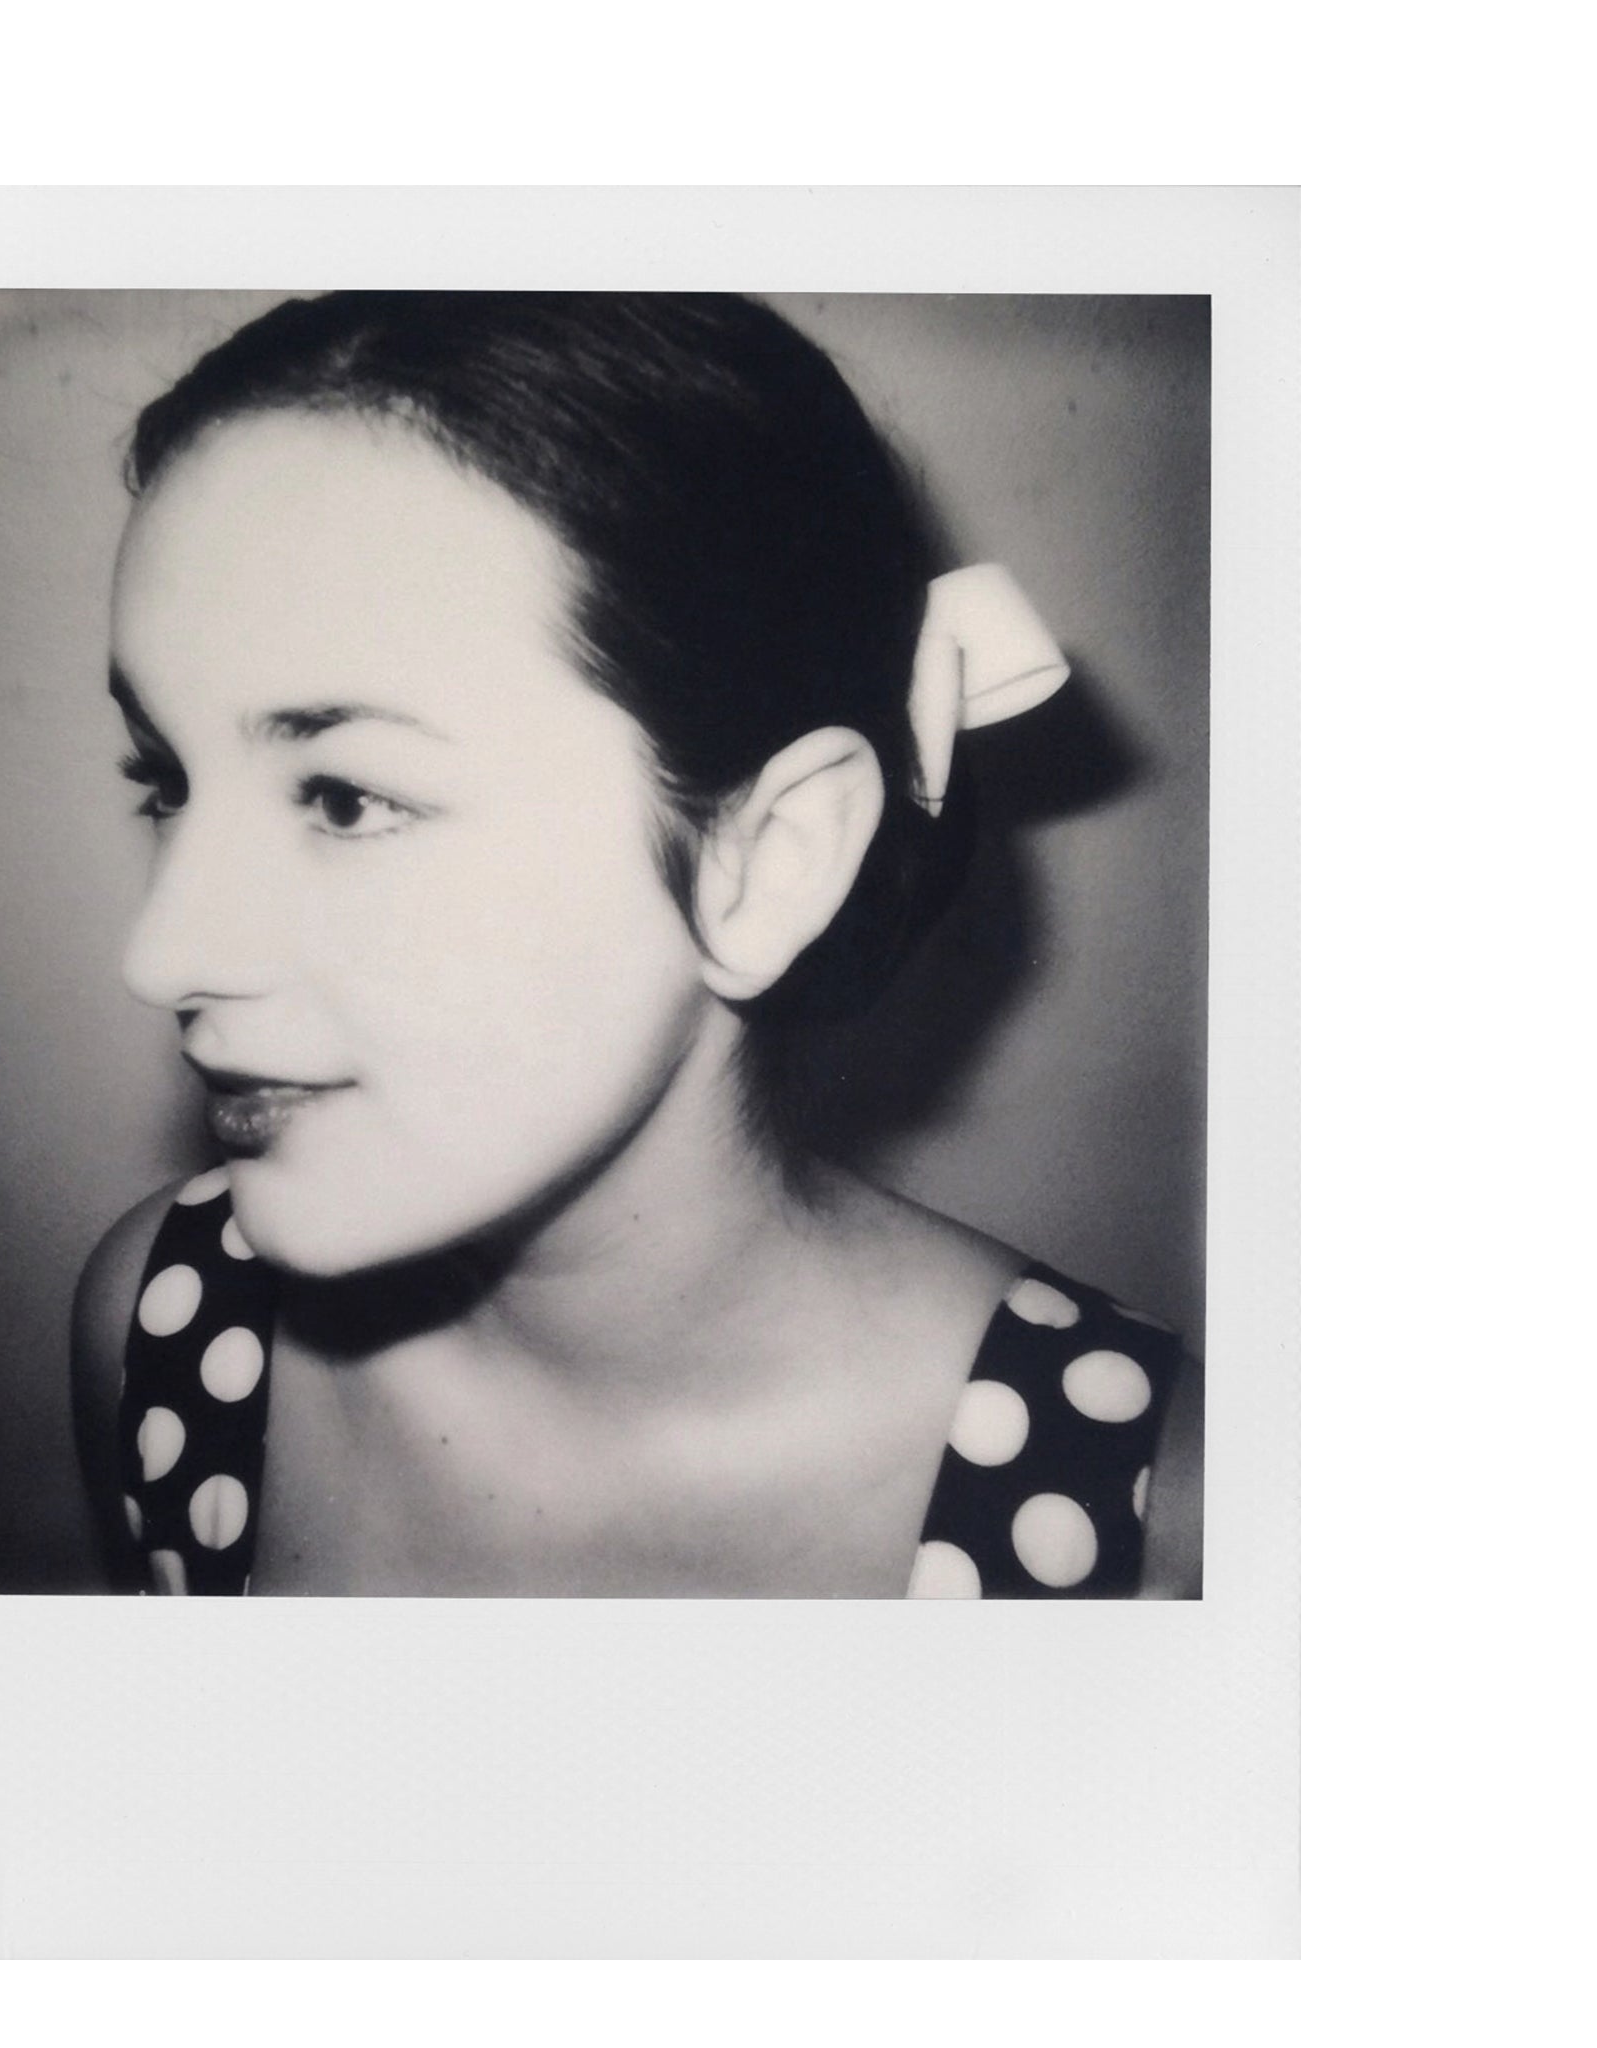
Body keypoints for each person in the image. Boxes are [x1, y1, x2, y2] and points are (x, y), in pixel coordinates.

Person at [70, 292, 1202, 1599]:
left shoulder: (1172, 1531)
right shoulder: (159, 1323)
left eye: (345, 799)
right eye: (167, 782)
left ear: (769, 858)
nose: (163, 955)